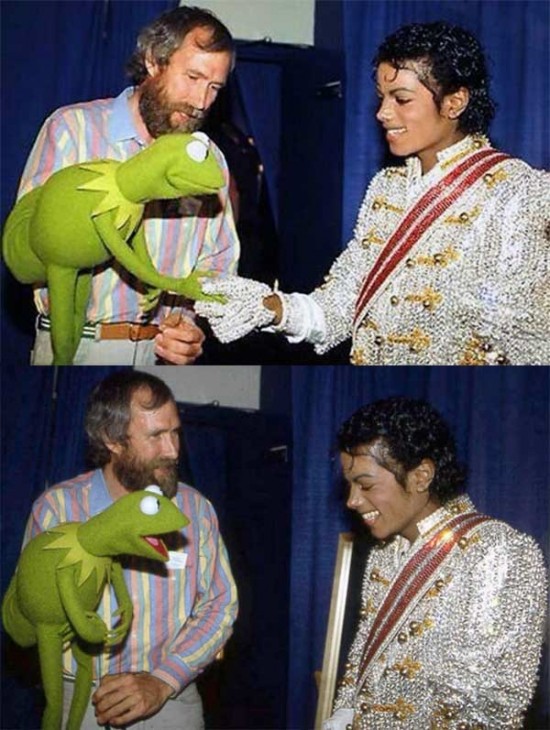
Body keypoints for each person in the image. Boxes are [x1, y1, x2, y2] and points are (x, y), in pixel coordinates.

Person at [196, 21, 550, 365]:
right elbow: (339, 306)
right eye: (382, 98)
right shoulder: (387, 187)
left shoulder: (518, 192)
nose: (382, 113)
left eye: (402, 99)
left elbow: (528, 345)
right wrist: (269, 307)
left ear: (454, 103)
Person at [16, 5, 239, 365]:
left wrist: (191, 325)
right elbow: (27, 246)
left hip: (162, 355)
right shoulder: (73, 130)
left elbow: (218, 263)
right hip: (74, 347)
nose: (201, 102)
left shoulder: (208, 161)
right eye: (193, 78)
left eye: (214, 87)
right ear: (153, 61)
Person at [21, 370, 238, 729]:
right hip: (80, 701)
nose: (172, 450)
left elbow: (220, 603)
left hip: (171, 698)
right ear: (112, 439)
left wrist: (162, 680)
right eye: (156, 436)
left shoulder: (195, 510)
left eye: (175, 433)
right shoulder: (56, 509)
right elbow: (32, 612)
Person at [322, 397, 547, 729]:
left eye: (366, 485)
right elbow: (362, 659)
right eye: (350, 486)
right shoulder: (384, 554)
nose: (353, 501)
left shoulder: (500, 551)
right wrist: (345, 712)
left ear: (421, 476)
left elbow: (490, 706)